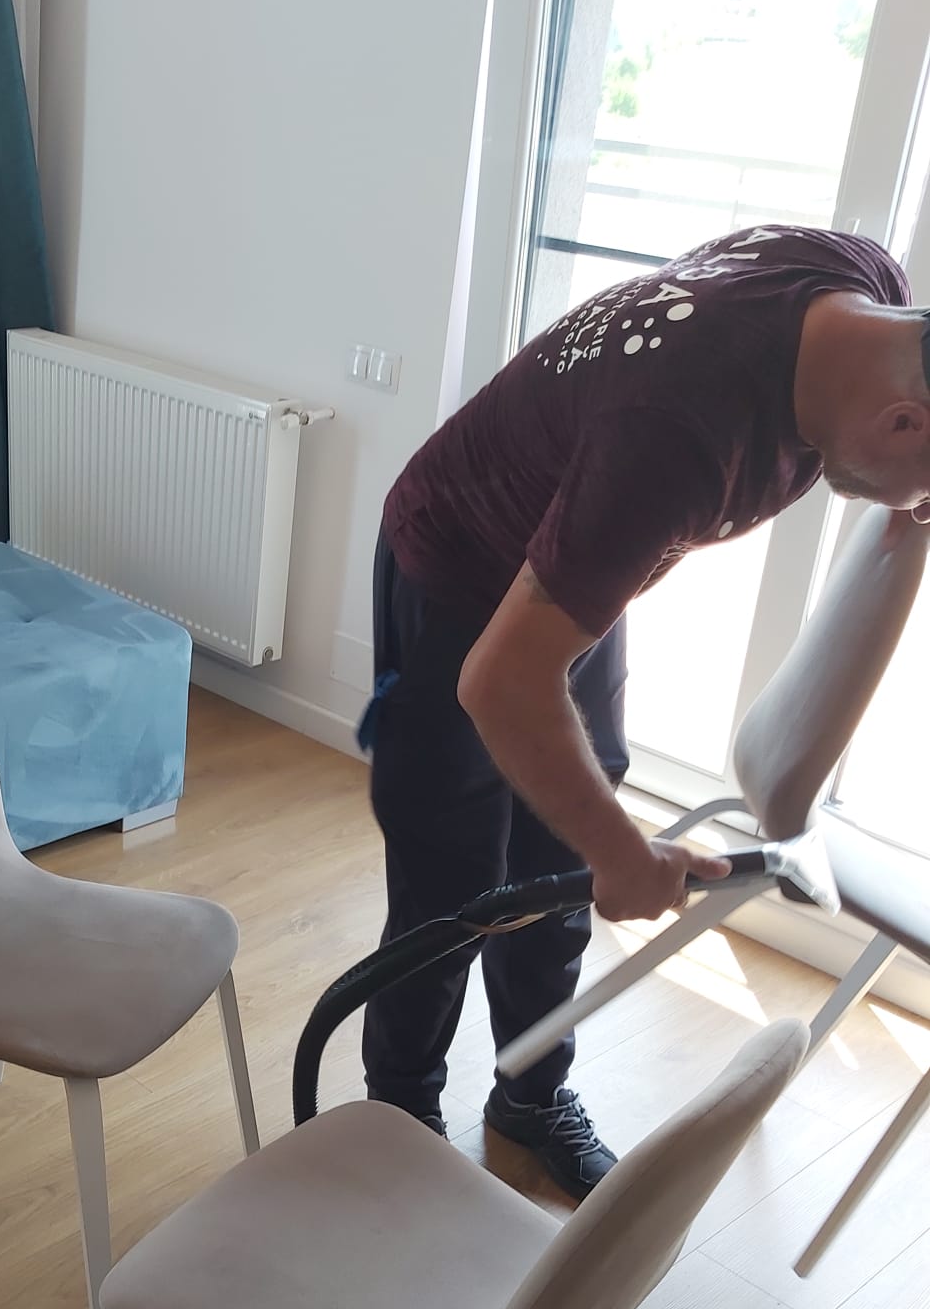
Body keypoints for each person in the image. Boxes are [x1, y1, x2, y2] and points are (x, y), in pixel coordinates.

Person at [365, 224, 928, 1198]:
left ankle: (531, 1097)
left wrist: (601, 851)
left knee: (559, 866)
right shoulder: (677, 434)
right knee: (450, 883)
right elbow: (498, 681)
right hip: (456, 569)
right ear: (905, 420)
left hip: (574, 570)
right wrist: (627, 856)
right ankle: (398, 1119)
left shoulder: (859, 280)